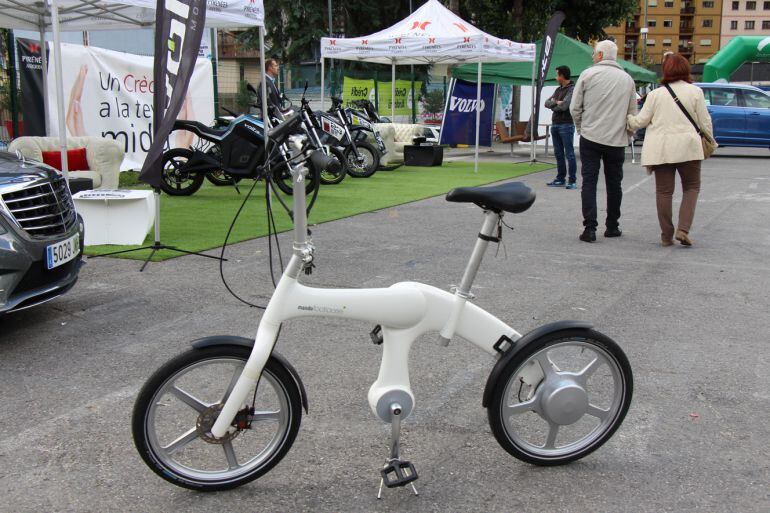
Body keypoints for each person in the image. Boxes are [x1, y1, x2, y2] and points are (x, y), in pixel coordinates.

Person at [626, 53, 713, 247]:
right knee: (691, 187)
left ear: (666, 70)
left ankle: (666, 235)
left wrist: (629, 120)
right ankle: (683, 229)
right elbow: (705, 122)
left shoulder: (656, 94)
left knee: (664, 192)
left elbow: (641, 121)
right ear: (686, 69)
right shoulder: (695, 92)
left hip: (661, 148)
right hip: (689, 147)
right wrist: (710, 142)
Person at [570, 40, 637, 242]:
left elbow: (575, 108)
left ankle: (590, 228)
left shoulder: (587, 75)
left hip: (591, 136)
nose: (592, 56)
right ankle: (612, 226)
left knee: (589, 181)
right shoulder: (627, 79)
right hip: (616, 139)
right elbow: (632, 113)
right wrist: (628, 135)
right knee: (614, 183)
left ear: (600, 55)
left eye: (593, 53)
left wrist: (582, 128)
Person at [544, 65, 577, 189]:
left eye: (557, 74)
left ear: (562, 76)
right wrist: (556, 103)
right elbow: (546, 103)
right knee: (558, 153)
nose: (556, 77)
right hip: (555, 124)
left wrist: (554, 104)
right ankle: (560, 178)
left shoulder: (572, 89)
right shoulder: (558, 90)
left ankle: (572, 180)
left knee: (569, 154)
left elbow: (564, 106)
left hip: (566, 124)